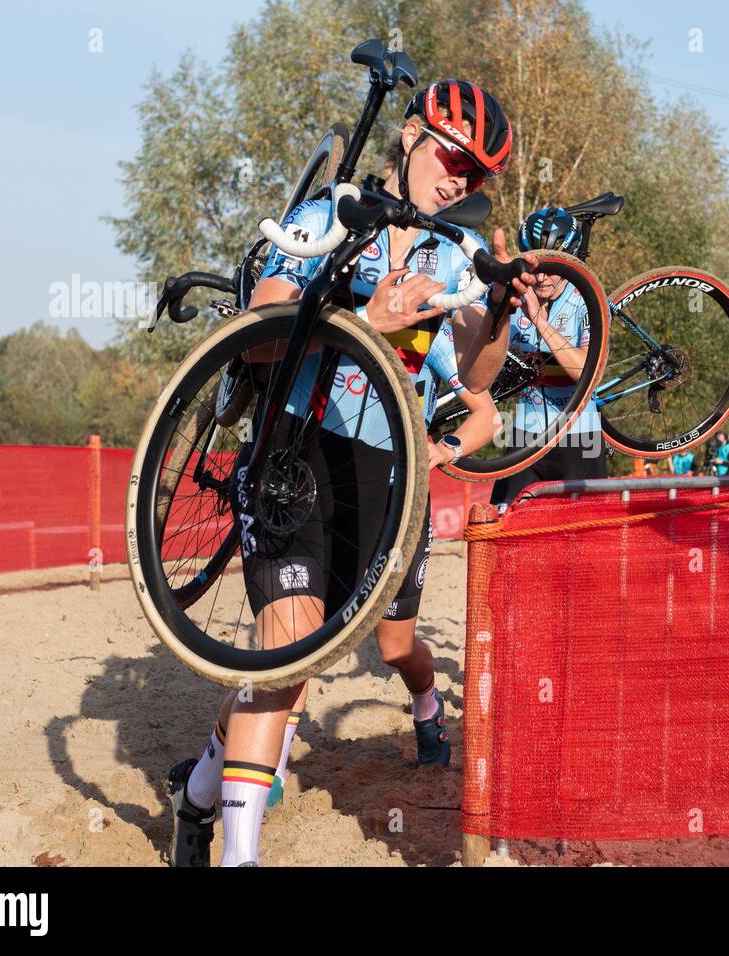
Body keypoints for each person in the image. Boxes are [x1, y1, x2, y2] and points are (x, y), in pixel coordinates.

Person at [165, 78, 537, 867]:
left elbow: (475, 374)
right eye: (453, 157)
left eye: (478, 176)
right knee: (286, 645)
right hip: (293, 448)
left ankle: (198, 792)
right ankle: (240, 857)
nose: (460, 181)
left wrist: (500, 310)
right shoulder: (330, 216)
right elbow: (257, 333)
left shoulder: (450, 255)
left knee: (294, 671)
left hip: (378, 475)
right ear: (408, 136)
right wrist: (365, 322)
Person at [483, 206, 608, 510]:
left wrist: (539, 320)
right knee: (508, 534)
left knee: (583, 546)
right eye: (536, 265)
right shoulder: (514, 294)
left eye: (553, 268)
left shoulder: (585, 299)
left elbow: (588, 374)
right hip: (525, 435)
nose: (542, 277)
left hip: (580, 439)